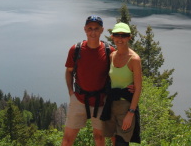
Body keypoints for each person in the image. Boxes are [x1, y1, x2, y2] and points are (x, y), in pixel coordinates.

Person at [61, 15, 115, 146]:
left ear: (102, 30)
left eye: (96, 28)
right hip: (79, 99)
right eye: (90, 28)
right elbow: (69, 71)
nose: (93, 32)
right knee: (67, 139)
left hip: (101, 101)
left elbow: (115, 74)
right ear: (85, 29)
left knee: (99, 138)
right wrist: (71, 93)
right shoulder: (76, 50)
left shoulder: (109, 51)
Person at [101, 22, 142, 145]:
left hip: (125, 107)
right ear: (112, 36)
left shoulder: (134, 59)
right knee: (114, 140)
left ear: (129, 37)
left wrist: (131, 113)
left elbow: (139, 88)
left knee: (122, 142)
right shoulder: (112, 55)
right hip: (111, 104)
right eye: (116, 35)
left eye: (123, 35)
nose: (120, 38)